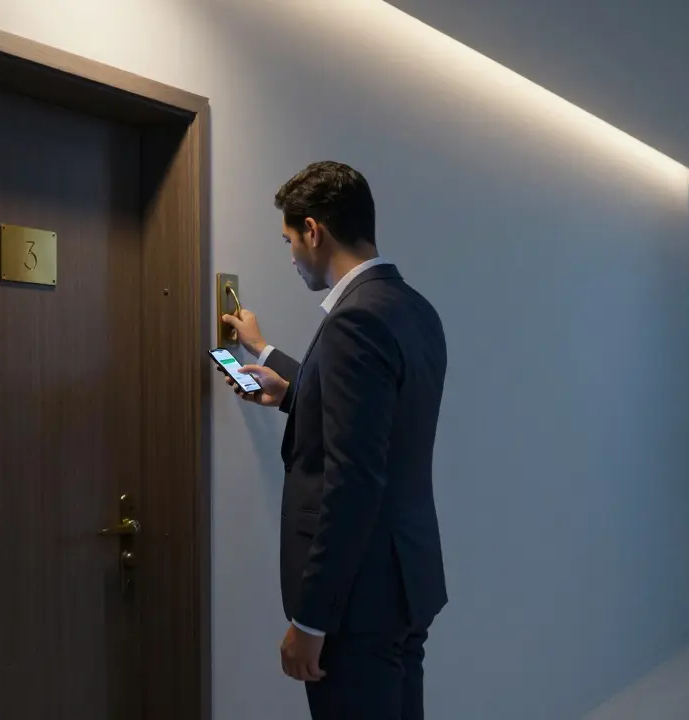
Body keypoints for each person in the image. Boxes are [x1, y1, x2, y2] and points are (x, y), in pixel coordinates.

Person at [221, 162, 448, 719]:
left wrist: (311, 618)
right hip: (403, 584)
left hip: (355, 601)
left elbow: (353, 481)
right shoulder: (414, 309)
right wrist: (270, 360)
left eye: (289, 241)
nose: (291, 257)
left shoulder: (353, 321)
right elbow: (373, 420)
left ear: (313, 230)